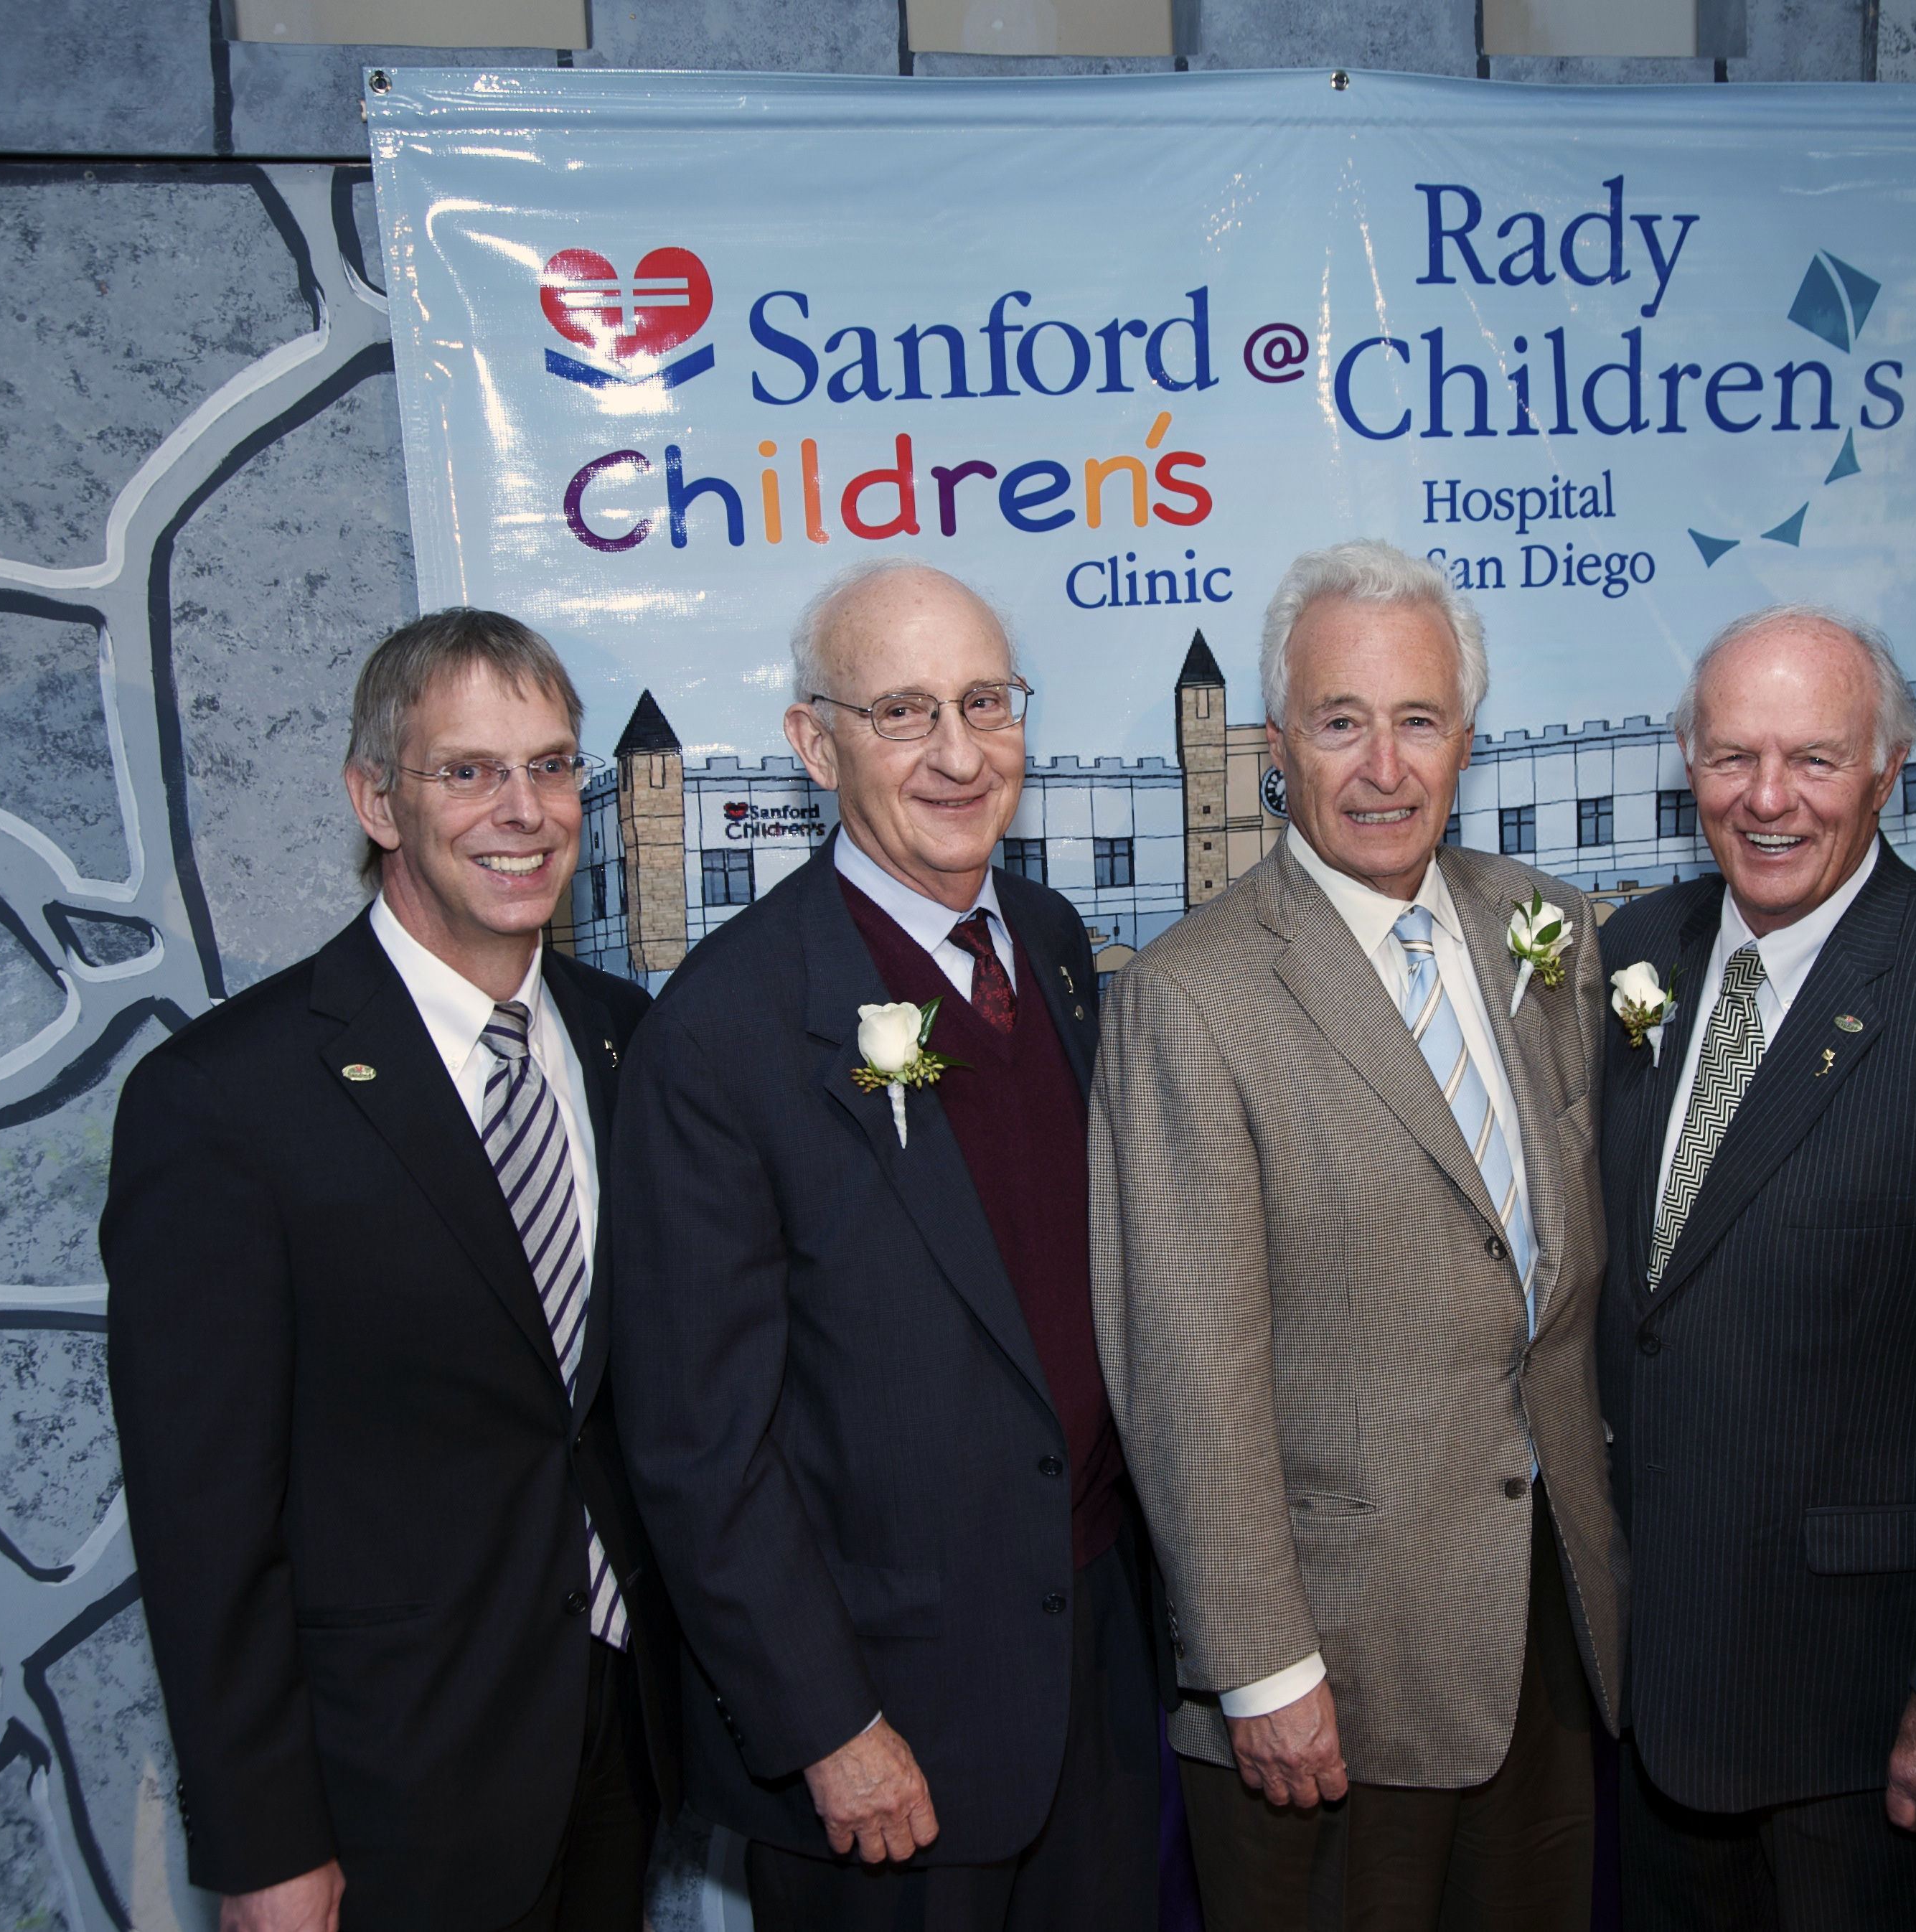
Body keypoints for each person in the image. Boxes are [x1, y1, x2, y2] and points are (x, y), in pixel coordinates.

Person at [103, 609, 680, 1932]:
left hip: (624, 1739)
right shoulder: (225, 1100)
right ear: (376, 801)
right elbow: (202, 1525)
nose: (522, 812)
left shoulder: (628, 1041)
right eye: (467, 771)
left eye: (549, 766)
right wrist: (264, 1843)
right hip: (391, 1787)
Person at [607, 558, 1160, 1932]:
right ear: (815, 744)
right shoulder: (721, 1032)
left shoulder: (1051, 944)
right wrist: (827, 1725)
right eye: (905, 712)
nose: (959, 755)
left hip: (1092, 1667)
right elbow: (695, 1443)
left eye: (986, 702)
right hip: (887, 1729)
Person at [1089, 540, 1625, 1929]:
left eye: (1418, 720)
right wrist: (1261, 1668)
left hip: (1549, 1637)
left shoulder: (1546, 929)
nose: (1383, 768)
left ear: (1465, 739)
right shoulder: (1190, 997)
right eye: (1340, 722)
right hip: (1331, 1678)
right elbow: (1185, 1374)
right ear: (1276, 747)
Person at [1595, 605, 1916, 1930]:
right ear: (1688, 764)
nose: (1767, 799)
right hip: (1651, 1694)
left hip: (1865, 1719)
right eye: (1732, 757)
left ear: (1888, 770)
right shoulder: (1632, 956)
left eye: (1814, 759)